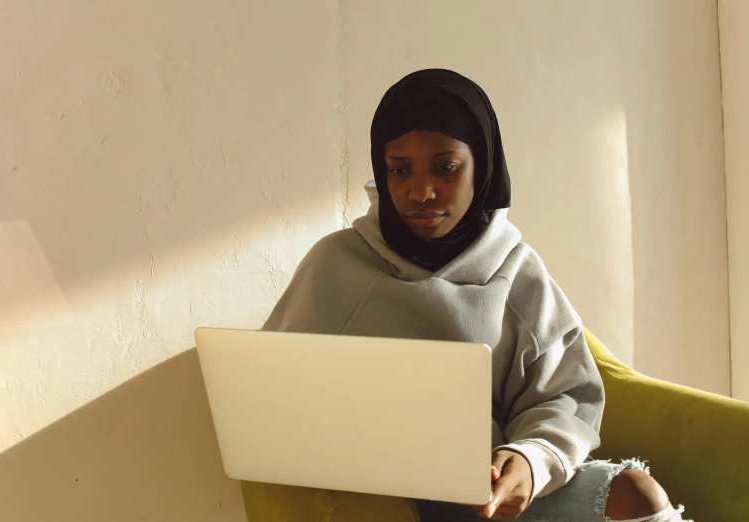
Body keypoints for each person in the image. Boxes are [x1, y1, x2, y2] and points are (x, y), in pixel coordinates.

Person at [248, 69, 690, 522]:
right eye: (400, 170)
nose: (420, 192)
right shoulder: (337, 264)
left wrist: (529, 461)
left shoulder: (515, 268)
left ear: (483, 165)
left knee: (636, 494)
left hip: (495, 494)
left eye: (445, 167)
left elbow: (563, 396)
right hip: (385, 499)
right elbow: (273, 394)